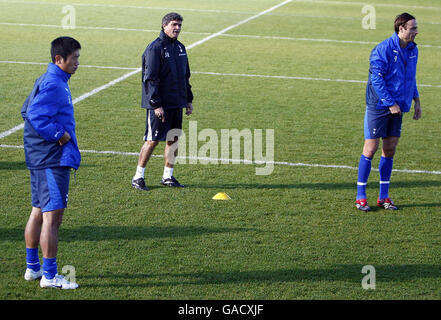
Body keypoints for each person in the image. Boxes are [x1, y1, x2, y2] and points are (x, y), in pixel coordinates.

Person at [22, 37, 81, 289]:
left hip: (41, 158)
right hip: (50, 160)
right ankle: (49, 276)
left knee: (38, 211)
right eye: (74, 58)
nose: (78, 63)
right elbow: (35, 114)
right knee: (52, 218)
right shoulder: (55, 84)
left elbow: (26, 109)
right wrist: (60, 134)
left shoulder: (48, 79)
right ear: (59, 59)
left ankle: (33, 268)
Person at [356, 13, 421, 211]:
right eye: (413, 28)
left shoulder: (412, 49)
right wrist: (390, 103)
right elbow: (376, 80)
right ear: (401, 29)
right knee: (371, 149)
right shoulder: (383, 49)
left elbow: (410, 77)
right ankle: (361, 197)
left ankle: (384, 197)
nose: (416, 32)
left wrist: (416, 99)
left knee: (390, 150)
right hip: (379, 105)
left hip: (398, 105)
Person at [131, 12, 193, 191]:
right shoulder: (155, 48)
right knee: (152, 140)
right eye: (174, 24)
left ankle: (168, 176)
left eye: (179, 25)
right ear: (164, 26)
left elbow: (185, 77)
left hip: (176, 102)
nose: (177, 28)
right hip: (159, 105)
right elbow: (150, 79)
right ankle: (138, 177)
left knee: (173, 139)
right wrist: (156, 104)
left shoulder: (180, 48)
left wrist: (188, 99)